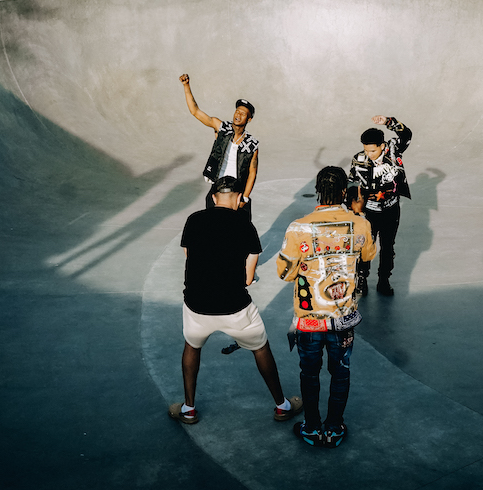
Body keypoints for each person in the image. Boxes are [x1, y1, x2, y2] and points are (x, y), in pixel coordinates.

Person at [169, 175, 303, 425]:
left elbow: (189, 255)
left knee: (192, 346)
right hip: (235, 307)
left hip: (197, 304)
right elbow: (248, 278)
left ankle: (188, 409)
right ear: (240, 198)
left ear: (213, 198)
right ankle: (282, 406)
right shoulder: (245, 225)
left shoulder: (193, 220)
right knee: (260, 348)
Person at [277, 166, 376, 448]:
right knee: (340, 372)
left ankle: (311, 427)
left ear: (318, 191)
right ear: (345, 192)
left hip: (309, 321)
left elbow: (284, 272)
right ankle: (334, 428)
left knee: (309, 374)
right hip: (343, 320)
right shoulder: (361, 224)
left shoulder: (299, 227)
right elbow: (368, 254)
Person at [348, 115, 412, 296]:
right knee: (365, 246)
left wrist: (389, 122)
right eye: (366, 150)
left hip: (391, 210)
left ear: (382, 146)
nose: (369, 154)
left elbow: (406, 135)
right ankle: (362, 279)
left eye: (373, 150)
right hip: (369, 212)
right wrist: (354, 210)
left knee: (388, 247)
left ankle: (384, 279)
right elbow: (352, 185)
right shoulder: (358, 159)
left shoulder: (393, 150)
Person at [179, 73, 258, 217]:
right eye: (237, 111)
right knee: (213, 225)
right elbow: (195, 111)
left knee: (239, 227)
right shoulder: (222, 128)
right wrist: (186, 86)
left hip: (237, 192)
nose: (238, 115)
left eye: (243, 113)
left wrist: (245, 198)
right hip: (218, 188)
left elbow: (252, 173)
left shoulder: (251, 144)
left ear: (249, 119)